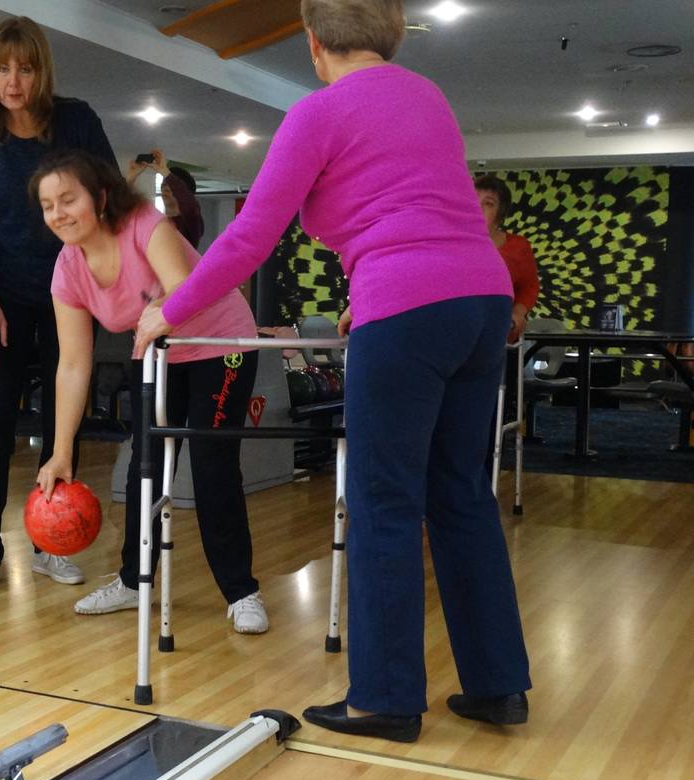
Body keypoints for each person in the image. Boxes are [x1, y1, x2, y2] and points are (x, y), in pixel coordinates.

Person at [135, 0, 531, 742]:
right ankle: (499, 685)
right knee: (460, 495)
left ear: (313, 44)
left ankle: (383, 698)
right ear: (388, 34)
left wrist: (172, 309)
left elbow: (251, 234)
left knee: (381, 501)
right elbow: (418, 211)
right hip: (480, 301)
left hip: (411, 305)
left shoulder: (318, 112)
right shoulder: (429, 97)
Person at [32, 150, 268, 634]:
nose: (58, 213)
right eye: (47, 204)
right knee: (147, 467)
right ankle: (134, 580)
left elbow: (180, 288)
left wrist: (165, 309)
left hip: (217, 344)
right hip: (158, 352)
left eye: (68, 199)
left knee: (211, 463)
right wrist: (59, 453)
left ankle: (242, 591)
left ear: (99, 198)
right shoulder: (67, 269)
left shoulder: (143, 223)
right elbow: (73, 364)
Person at [0, 15, 118, 598]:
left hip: (70, 293)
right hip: (0, 296)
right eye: (2, 68)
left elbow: (109, 200)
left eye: (24, 68)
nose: (13, 81)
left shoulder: (77, 121)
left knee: (62, 419)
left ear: (40, 71)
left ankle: (52, 542)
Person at [475, 175, 539, 342]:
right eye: (473, 200)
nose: (477, 207)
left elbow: (529, 286)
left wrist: (517, 313)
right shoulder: (449, 242)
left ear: (500, 214)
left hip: (499, 335)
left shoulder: (518, 247)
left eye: (488, 203)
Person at [128, 149, 205, 248]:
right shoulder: (157, 220)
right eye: (164, 183)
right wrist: (131, 178)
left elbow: (190, 206)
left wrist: (165, 171)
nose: (165, 186)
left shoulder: (191, 222)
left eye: (170, 184)